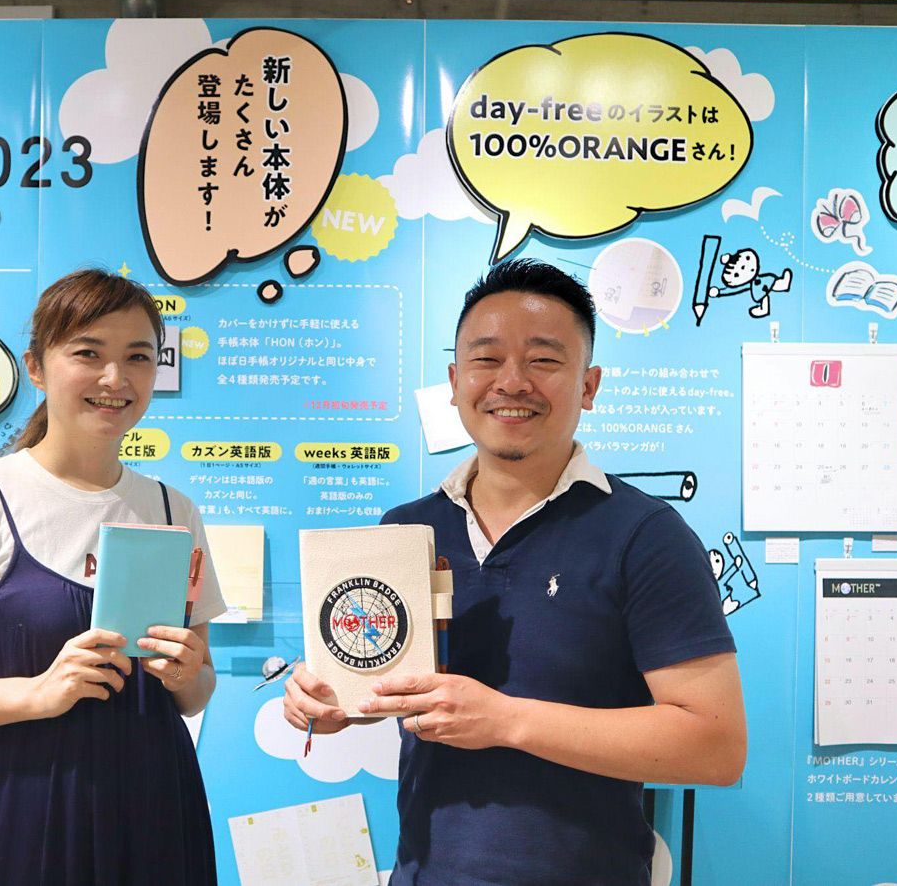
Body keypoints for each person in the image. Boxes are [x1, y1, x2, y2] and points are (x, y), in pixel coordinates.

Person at [283, 259, 746, 885]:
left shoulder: (646, 535)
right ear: (455, 382)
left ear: (589, 386)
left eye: (544, 360)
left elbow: (715, 745)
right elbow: (398, 685)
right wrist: (335, 701)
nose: (512, 381)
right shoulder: (407, 529)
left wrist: (505, 720)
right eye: (487, 359)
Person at [0, 269, 225, 885]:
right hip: (19, 824)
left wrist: (190, 674)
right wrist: (35, 693)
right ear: (36, 366)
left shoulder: (173, 509)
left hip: (158, 818)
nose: (116, 378)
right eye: (88, 354)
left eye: (138, 357)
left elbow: (197, 688)